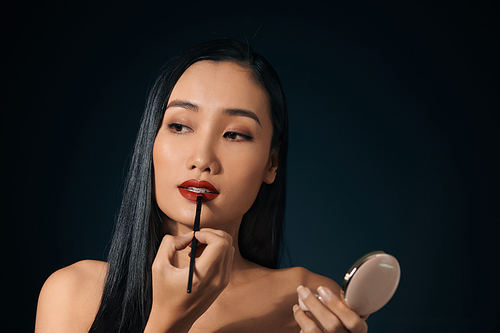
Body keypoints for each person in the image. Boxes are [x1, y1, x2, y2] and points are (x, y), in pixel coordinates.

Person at [35, 39, 368, 333]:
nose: (202, 158)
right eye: (180, 126)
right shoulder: (75, 293)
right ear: (150, 141)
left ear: (272, 164)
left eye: (235, 134)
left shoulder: (308, 303)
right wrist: (168, 321)